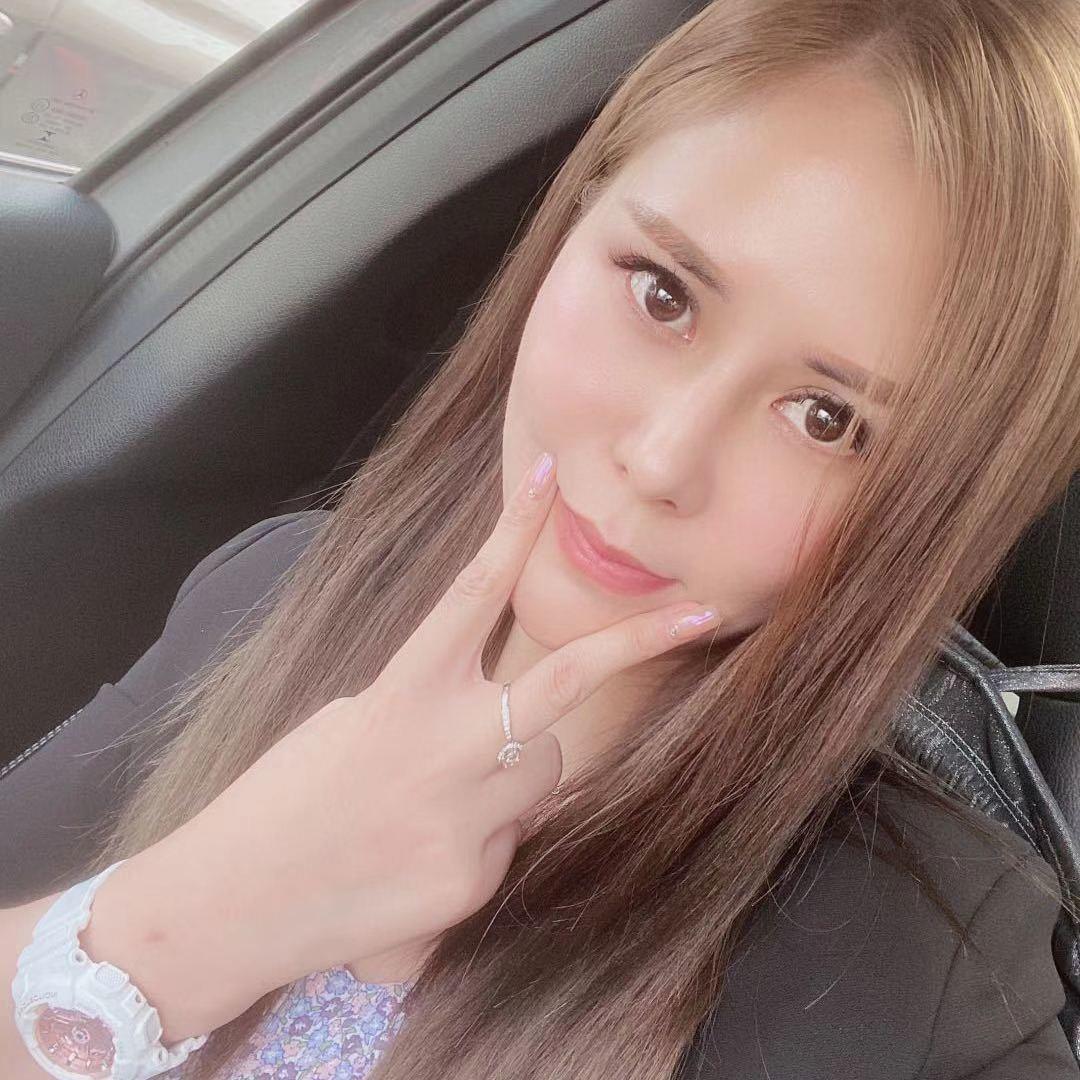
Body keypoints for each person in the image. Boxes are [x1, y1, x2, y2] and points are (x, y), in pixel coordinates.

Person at [3, 0, 1080, 1076]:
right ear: (572, 221)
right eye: (662, 294)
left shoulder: (933, 971)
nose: (660, 459)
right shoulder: (274, 590)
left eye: (828, 420)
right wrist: (193, 923)